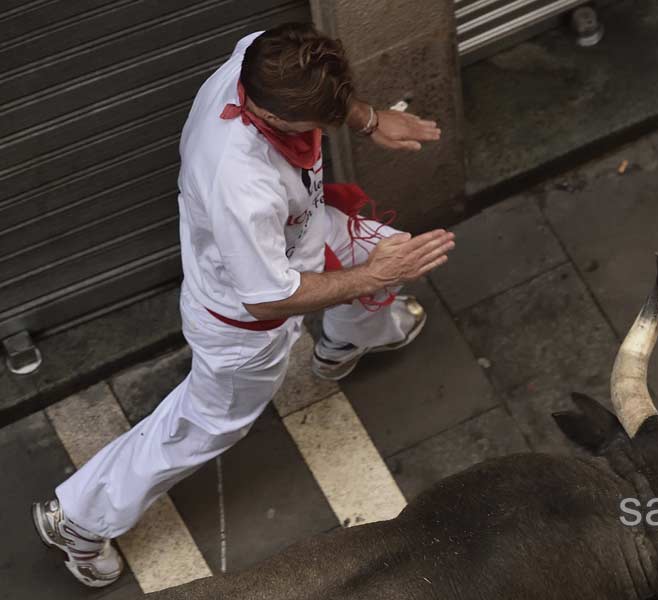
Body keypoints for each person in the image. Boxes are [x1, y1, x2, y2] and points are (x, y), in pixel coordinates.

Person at [31, 22, 455, 588]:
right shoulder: (239, 181)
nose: (329, 128)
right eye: (319, 124)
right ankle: (79, 519)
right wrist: (371, 275)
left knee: (388, 253)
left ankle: (346, 342)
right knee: (208, 423)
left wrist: (370, 120)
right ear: (275, 118)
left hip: (301, 236)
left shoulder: (262, 58)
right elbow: (267, 301)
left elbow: (323, 90)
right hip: (243, 324)